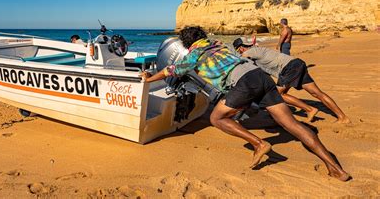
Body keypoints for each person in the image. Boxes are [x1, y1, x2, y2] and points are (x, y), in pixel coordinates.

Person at [141, 26, 350, 181]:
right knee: (293, 125)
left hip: (243, 82)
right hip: (260, 76)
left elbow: (170, 71)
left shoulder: (194, 54)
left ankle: (259, 143)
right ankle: (335, 168)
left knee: (217, 117)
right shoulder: (218, 44)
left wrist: (149, 78)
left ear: (187, 44)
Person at [233, 38, 351, 124]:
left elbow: (241, 65)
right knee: (317, 93)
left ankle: (310, 109)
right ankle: (342, 117)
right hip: (297, 63)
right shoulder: (258, 50)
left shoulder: (248, 53)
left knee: (279, 95)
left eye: (238, 50)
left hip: (289, 68)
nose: (240, 53)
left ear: (241, 48)